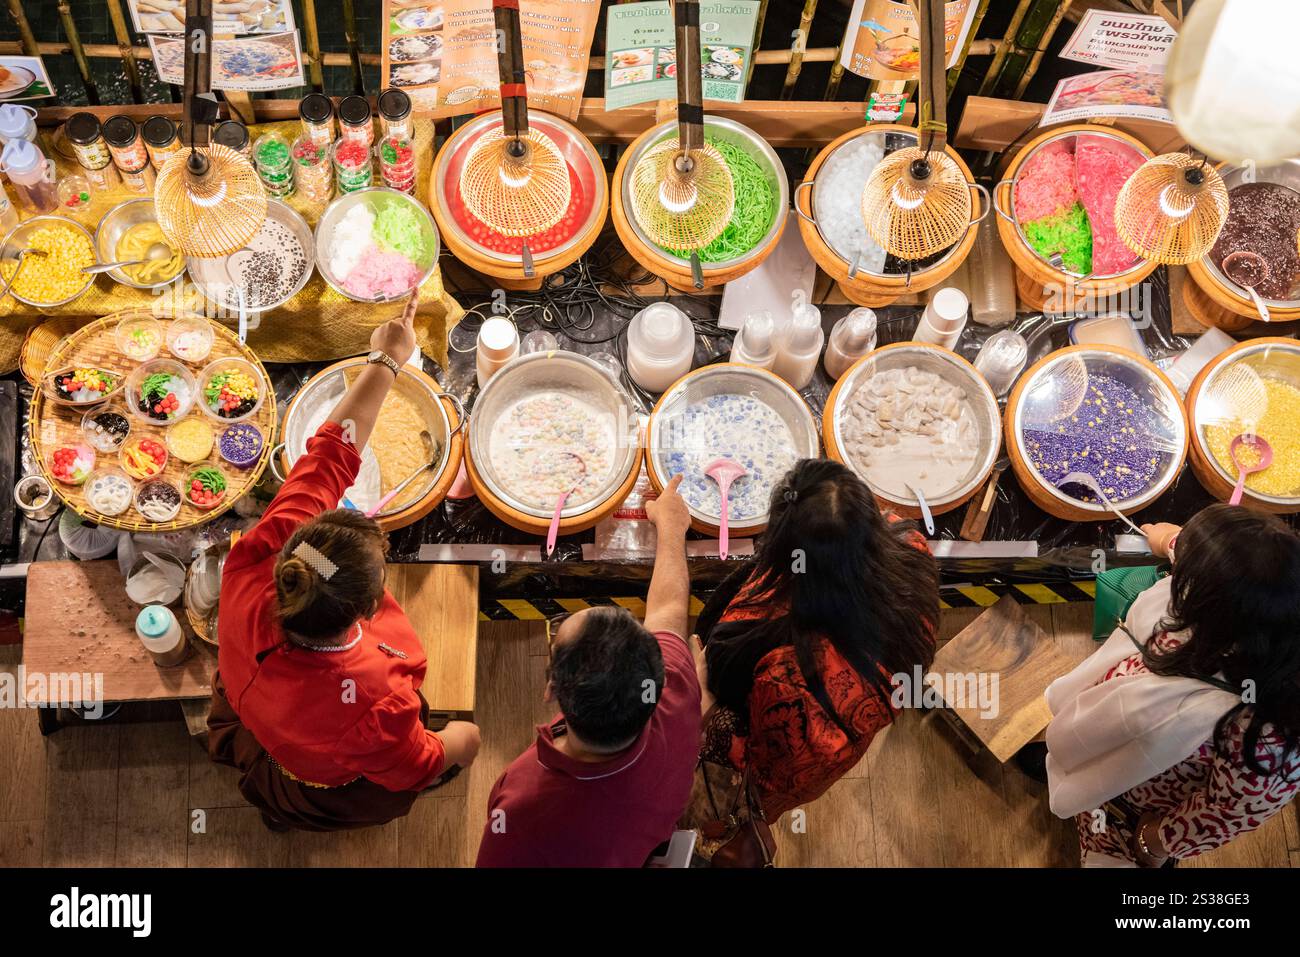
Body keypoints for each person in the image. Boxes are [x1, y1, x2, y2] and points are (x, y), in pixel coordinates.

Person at [208, 294, 481, 832]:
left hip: (257, 709)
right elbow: (418, 764)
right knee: (454, 746)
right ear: (367, 610)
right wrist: (463, 742)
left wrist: (385, 360)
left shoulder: (260, 558)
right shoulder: (372, 699)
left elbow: (329, 457)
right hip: (323, 772)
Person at [1046, 505, 1300, 867]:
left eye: (1188, 579)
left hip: (1135, 799)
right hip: (1108, 724)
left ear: (1219, 608)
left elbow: (1230, 810)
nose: (1179, 580)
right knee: (1076, 767)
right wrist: (1169, 539)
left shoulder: (1268, 733)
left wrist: (1153, 841)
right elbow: (1213, 557)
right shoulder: (1261, 596)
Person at [693, 458, 938, 822]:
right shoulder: (911, 546)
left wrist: (697, 697)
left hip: (790, 760)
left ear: (780, 547)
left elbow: (757, 758)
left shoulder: (780, 664)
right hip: (854, 726)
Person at [476, 474, 701, 867]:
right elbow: (668, 611)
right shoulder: (678, 694)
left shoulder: (523, 802)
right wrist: (671, 528)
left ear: (550, 690)